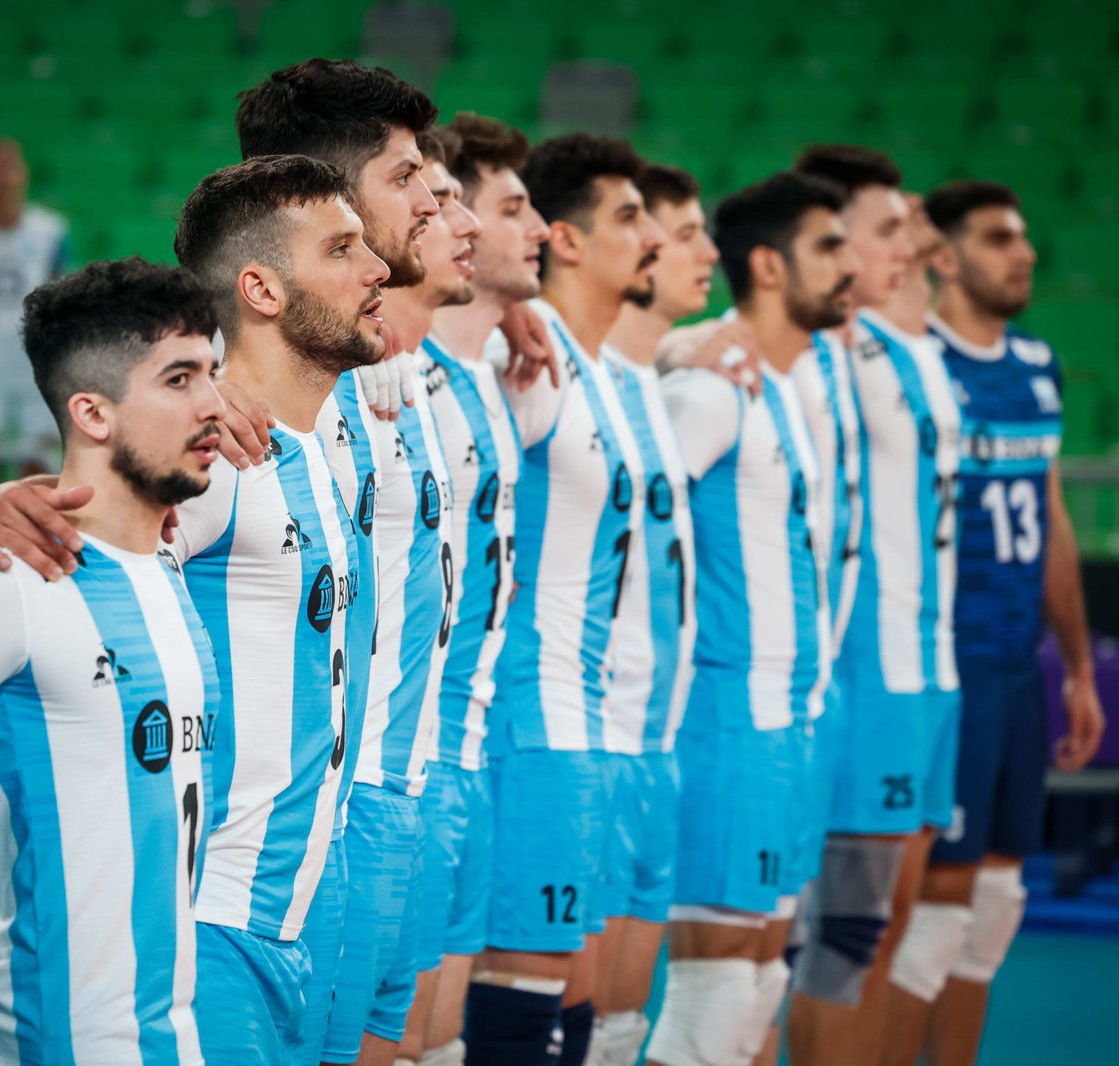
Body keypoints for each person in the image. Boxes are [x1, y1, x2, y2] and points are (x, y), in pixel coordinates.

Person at [0, 258, 224, 1064]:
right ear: (91, 412)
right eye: (180, 379)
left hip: (172, 1036)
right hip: (52, 1041)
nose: (213, 405)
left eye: (213, 374)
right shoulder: (3, 580)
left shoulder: (166, 565)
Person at [235, 58, 452, 1066]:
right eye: (405, 177)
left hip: (388, 799)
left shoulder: (378, 367)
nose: (432, 201)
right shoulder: (233, 408)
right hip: (287, 843)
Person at [169, 154, 388, 1064]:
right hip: (214, 914)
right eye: (343, 249)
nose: (378, 267)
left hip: (306, 900)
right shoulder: (209, 455)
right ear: (259, 288)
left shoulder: (313, 443)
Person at [881, 180, 1105, 1066]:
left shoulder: (1037, 365)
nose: (1025, 252)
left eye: (1023, 236)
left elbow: (1051, 520)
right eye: (998, 238)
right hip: (945, 668)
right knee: (928, 918)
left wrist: (1077, 668)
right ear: (942, 256)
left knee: (995, 909)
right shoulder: (914, 364)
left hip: (1017, 669)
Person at [464, 132, 661, 1066]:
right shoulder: (529, 360)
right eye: (631, 217)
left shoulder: (599, 370)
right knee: (513, 1009)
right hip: (524, 717)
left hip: (588, 722)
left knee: (569, 1017)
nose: (653, 238)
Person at [647, 169, 851, 1066]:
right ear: (769, 266)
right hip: (727, 719)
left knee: (762, 983)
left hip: (789, 719)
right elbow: (627, 519)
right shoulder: (710, 391)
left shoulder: (781, 387)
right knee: (716, 995)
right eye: (829, 248)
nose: (849, 267)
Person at [786, 146, 964, 1066]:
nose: (912, 243)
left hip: (933, 670)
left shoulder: (913, 348)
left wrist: (904, 231)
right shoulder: (825, 351)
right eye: (888, 228)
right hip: (865, 669)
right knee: (846, 937)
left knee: (899, 928)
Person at [401, 112, 548, 1066]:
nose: (538, 228)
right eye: (512, 207)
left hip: (474, 743)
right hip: (412, 757)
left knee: (440, 1047)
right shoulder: (392, 377)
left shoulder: (494, 370)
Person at [581, 162, 718, 1066]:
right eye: (675, 230)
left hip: (654, 734)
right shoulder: (564, 380)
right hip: (584, 738)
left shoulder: (650, 384)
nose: (699, 251)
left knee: (619, 1029)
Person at [0, 137, 73, 450]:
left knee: (41, 444)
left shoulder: (51, 230)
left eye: (12, 166)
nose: (5, 177)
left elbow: (60, 291)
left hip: (33, 345)